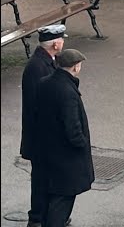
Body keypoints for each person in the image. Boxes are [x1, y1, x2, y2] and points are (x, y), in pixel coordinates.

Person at [34, 49, 93, 227]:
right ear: (75, 67)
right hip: (66, 158)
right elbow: (73, 128)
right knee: (62, 202)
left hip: (48, 153)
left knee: (49, 199)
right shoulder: (68, 92)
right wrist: (82, 144)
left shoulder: (44, 83)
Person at [22, 25, 64, 227]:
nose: (63, 42)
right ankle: (37, 217)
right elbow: (38, 105)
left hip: (45, 136)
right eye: (62, 40)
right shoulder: (37, 67)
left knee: (47, 177)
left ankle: (47, 215)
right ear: (55, 44)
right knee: (40, 179)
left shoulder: (48, 61)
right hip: (41, 137)